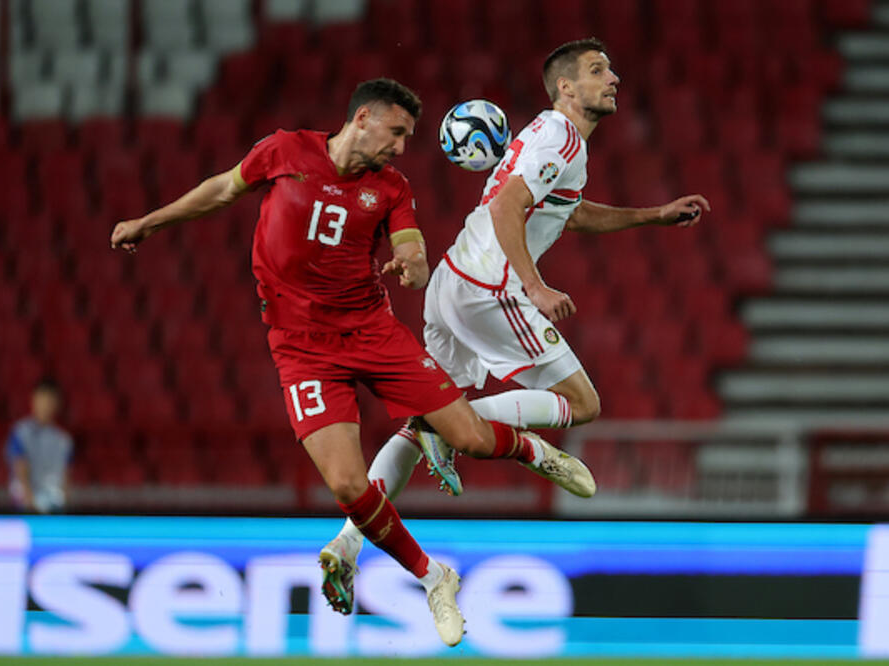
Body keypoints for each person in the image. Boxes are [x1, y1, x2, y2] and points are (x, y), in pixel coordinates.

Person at [109, 78, 595, 646]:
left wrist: (411, 263)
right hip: (299, 346)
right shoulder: (285, 150)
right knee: (345, 484)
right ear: (362, 118)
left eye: (408, 137)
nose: (400, 147)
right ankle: (434, 577)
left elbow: (410, 243)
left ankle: (536, 451)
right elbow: (221, 189)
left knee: (470, 438)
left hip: (372, 331)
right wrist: (149, 222)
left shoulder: (391, 187)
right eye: (397, 132)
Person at [321, 38, 711, 611]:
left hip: (452, 282)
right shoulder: (560, 135)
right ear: (566, 88)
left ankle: (348, 543)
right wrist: (534, 285)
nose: (615, 78)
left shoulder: (551, 140)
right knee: (581, 405)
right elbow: (507, 206)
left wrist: (651, 215)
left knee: (417, 426)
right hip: (488, 288)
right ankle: (449, 426)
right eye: (599, 70)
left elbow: (568, 213)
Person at [6, 377, 73, 514]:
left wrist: (64, 506)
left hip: (54, 507)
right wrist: (31, 504)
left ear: (57, 404)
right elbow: (20, 471)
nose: (46, 405)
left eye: (50, 400)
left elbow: (65, 479)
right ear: (33, 399)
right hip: (25, 507)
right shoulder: (20, 433)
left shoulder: (64, 441)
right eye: (42, 399)